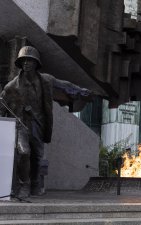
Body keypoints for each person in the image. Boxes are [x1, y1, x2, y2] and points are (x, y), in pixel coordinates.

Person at [0, 46, 91, 198]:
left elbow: (64, 85)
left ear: (36, 63)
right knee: (24, 152)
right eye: (23, 61)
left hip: (38, 124)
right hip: (21, 125)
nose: (26, 64)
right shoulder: (11, 87)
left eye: (30, 60)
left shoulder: (46, 80)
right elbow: (2, 105)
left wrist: (80, 90)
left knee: (36, 156)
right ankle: (24, 185)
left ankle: (35, 184)